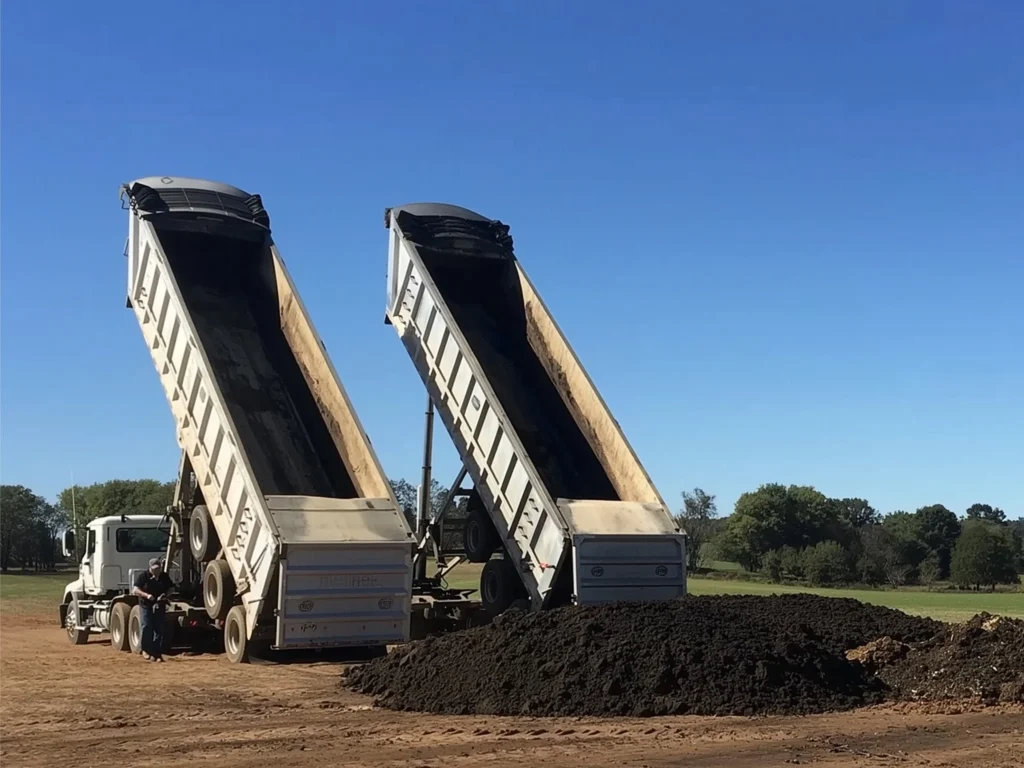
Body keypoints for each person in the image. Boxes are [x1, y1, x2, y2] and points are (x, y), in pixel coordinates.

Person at [133, 557, 173, 661]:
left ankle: (156, 653)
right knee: (146, 626)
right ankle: (146, 650)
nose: (157, 571)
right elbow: (135, 590)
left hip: (159, 605)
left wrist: (165, 595)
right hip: (146, 604)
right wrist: (146, 595)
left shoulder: (164, 576)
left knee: (159, 628)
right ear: (150, 568)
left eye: (158, 568)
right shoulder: (144, 576)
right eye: (154, 569)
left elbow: (171, 588)